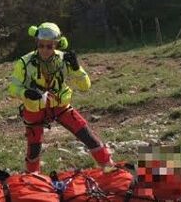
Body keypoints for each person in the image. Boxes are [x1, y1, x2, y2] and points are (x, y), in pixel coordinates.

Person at [8, 22, 113, 174]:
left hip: (60, 106)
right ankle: (33, 180)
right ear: (36, 43)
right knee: (34, 150)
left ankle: (110, 170)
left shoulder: (65, 59)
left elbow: (85, 86)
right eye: (41, 45)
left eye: (49, 46)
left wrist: (76, 69)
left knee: (89, 137)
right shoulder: (24, 62)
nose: (44, 50)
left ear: (57, 44)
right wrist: (25, 93)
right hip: (34, 109)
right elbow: (13, 88)